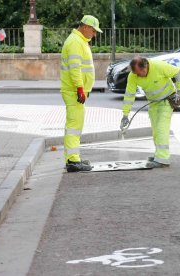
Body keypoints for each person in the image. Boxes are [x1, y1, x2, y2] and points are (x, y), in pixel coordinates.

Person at [120, 57, 180, 168]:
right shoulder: (133, 75)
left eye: (140, 72)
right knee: (156, 131)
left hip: (166, 100)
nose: (138, 75)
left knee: (161, 128)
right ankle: (158, 155)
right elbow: (129, 94)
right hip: (153, 103)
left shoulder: (159, 66)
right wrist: (125, 114)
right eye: (135, 73)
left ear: (145, 67)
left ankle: (163, 159)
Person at [60, 15, 102, 172]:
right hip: (74, 91)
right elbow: (75, 68)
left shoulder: (78, 41)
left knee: (75, 125)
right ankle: (73, 161)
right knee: (74, 126)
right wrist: (79, 88)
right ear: (85, 27)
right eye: (93, 30)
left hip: (75, 90)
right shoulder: (75, 42)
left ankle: (73, 158)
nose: (94, 34)